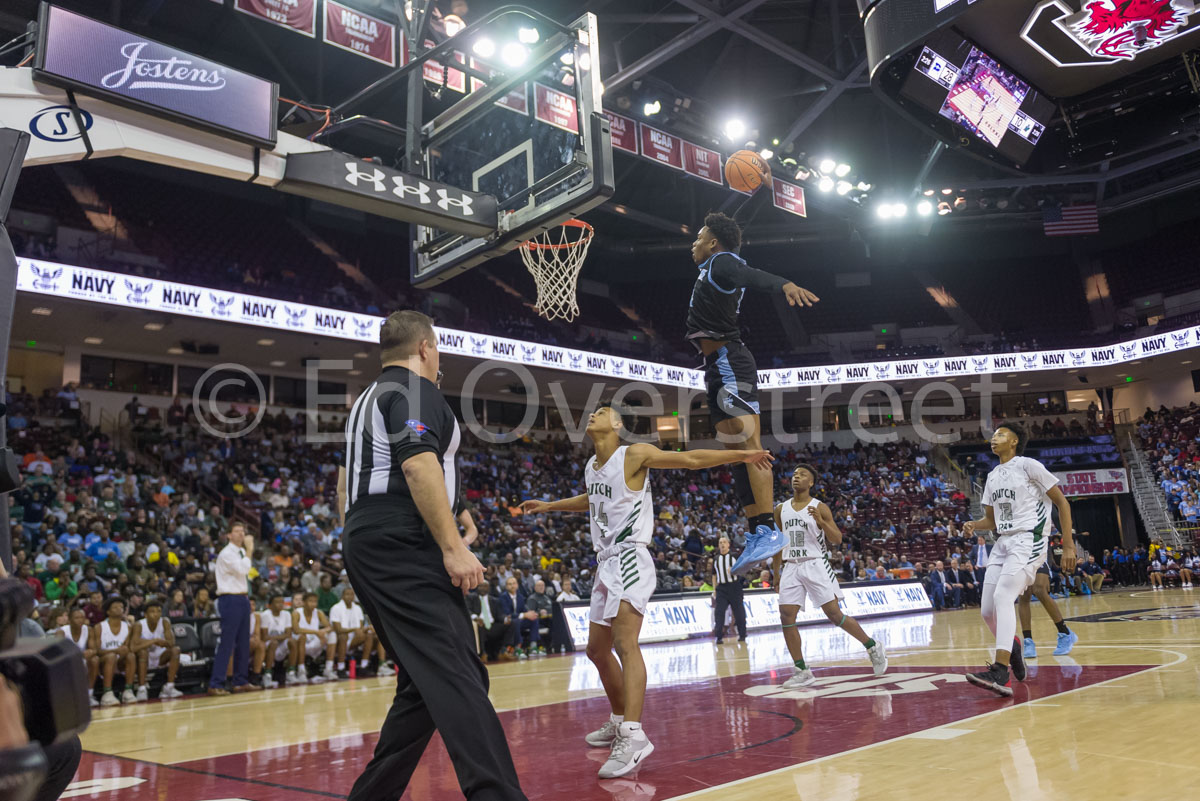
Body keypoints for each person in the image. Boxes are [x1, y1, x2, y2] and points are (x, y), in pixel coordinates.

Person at [521, 403, 773, 778]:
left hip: (630, 557)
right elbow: (593, 502)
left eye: (602, 412)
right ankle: (620, 718)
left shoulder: (634, 454)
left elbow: (690, 460)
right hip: (605, 562)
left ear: (618, 425)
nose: (592, 415)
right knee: (595, 650)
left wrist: (743, 453)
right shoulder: (592, 467)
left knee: (625, 644)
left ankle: (634, 735)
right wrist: (548, 506)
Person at [337, 310, 526, 801]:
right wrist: (451, 545)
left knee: (423, 682)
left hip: (366, 536)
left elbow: (347, 481)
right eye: (437, 346)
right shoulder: (416, 390)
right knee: (459, 672)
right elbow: (419, 464)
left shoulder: (365, 399)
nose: (438, 355)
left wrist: (452, 512)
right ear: (424, 348)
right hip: (404, 540)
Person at [685, 197, 819, 576]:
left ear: (713, 243)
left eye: (699, 237)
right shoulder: (717, 263)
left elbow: (751, 274)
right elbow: (735, 241)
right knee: (737, 455)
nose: (692, 243)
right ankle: (757, 531)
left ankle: (766, 529)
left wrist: (784, 284)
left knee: (751, 449)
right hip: (715, 366)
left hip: (731, 362)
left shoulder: (722, 263)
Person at [962, 422, 1076, 697]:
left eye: (1001, 434)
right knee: (987, 611)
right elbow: (991, 520)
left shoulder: (1028, 465)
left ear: (1014, 442)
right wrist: (974, 525)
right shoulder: (992, 476)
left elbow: (1062, 502)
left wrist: (1069, 545)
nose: (994, 438)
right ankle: (1013, 649)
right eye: (993, 435)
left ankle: (1001, 671)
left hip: (1030, 538)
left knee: (1004, 597)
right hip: (1002, 542)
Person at [769, 465, 887, 688]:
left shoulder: (819, 507)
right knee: (786, 615)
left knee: (834, 615)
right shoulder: (780, 509)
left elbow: (837, 539)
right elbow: (777, 542)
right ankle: (801, 669)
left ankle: (872, 646)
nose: (797, 477)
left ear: (811, 483)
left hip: (815, 563)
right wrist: (776, 572)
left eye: (802, 475)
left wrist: (821, 523)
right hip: (791, 566)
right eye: (794, 474)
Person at [208, 522, 259, 696]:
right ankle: (216, 683)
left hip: (243, 597)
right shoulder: (226, 553)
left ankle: (240, 681)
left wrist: (247, 551)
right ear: (229, 535)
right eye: (237, 531)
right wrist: (250, 550)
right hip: (229, 598)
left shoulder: (240, 552)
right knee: (227, 642)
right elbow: (243, 569)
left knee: (243, 642)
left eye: (243, 531)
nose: (241, 534)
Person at [1018, 553, 1080, 660]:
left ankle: (1064, 632)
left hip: (1038, 553)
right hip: (1020, 555)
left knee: (1039, 590)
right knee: (1024, 595)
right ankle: (1028, 640)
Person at [131, 598, 182, 700]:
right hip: (144, 658)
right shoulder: (139, 625)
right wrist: (154, 641)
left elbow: (171, 643)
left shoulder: (165, 622)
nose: (156, 614)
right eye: (152, 611)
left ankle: (169, 687)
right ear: (145, 614)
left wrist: (163, 642)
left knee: (176, 650)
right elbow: (133, 648)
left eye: (159, 611)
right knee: (142, 652)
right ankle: (142, 689)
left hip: (160, 657)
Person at [95, 597, 137, 706]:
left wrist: (124, 651)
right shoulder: (99, 627)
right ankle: (107, 693)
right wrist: (116, 650)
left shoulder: (128, 627)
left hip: (120, 662)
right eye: (115, 607)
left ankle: (128, 691)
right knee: (111, 656)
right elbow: (97, 652)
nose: (120, 609)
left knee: (131, 656)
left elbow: (128, 648)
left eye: (121, 607)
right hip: (104, 663)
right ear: (108, 612)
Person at [57, 606, 100, 708]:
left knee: (95, 660)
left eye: (82, 617)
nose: (80, 620)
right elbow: (59, 653)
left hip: (83, 661)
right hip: (67, 662)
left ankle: (89, 694)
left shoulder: (88, 630)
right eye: (77, 618)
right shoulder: (61, 632)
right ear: (70, 620)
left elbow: (94, 649)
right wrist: (79, 654)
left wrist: (91, 652)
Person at [292, 592, 336, 682]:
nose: (313, 604)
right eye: (310, 601)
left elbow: (330, 627)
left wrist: (323, 632)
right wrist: (316, 632)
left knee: (332, 635)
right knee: (302, 636)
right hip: (301, 645)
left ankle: (328, 669)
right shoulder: (296, 613)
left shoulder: (319, 612)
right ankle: (301, 672)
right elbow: (296, 630)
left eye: (315, 601)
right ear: (304, 602)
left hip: (315, 643)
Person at [710, 536, 746, 644]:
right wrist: (714, 589)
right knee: (719, 612)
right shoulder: (716, 559)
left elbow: (743, 569)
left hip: (734, 586)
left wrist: (735, 570)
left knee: (739, 612)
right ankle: (719, 636)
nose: (722, 544)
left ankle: (742, 634)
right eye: (720, 542)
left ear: (728, 544)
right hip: (722, 588)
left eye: (724, 542)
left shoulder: (735, 556)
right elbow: (713, 575)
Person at [329, 587, 371, 678]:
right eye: (347, 594)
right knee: (343, 636)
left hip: (354, 640)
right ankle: (341, 668)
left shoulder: (358, 608)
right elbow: (338, 630)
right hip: (339, 640)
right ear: (342, 596)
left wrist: (366, 629)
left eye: (352, 594)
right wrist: (354, 629)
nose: (350, 596)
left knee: (369, 635)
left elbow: (359, 628)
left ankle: (364, 666)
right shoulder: (335, 608)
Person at [259, 594, 295, 688]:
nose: (280, 604)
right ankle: (267, 675)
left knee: (292, 641)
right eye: (277, 602)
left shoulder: (286, 614)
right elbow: (264, 637)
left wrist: (278, 637)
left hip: (281, 644)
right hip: (269, 645)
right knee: (273, 643)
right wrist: (281, 636)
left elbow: (288, 634)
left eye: (282, 602)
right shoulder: (266, 615)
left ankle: (291, 672)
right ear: (270, 605)